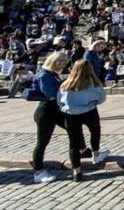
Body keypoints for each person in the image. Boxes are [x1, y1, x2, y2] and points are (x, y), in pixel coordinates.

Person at [29, 52, 90, 184]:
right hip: (46, 113)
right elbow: (50, 94)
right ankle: (38, 172)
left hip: (56, 111)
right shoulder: (44, 75)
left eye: (64, 62)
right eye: (61, 62)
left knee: (74, 129)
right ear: (53, 61)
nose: (63, 64)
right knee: (42, 142)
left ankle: (82, 150)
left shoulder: (52, 74)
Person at [57, 60, 110, 182]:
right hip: (88, 111)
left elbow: (59, 100)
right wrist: (93, 102)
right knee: (95, 130)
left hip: (70, 114)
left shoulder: (65, 84)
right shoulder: (91, 83)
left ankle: (76, 171)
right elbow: (102, 97)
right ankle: (96, 154)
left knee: (73, 143)